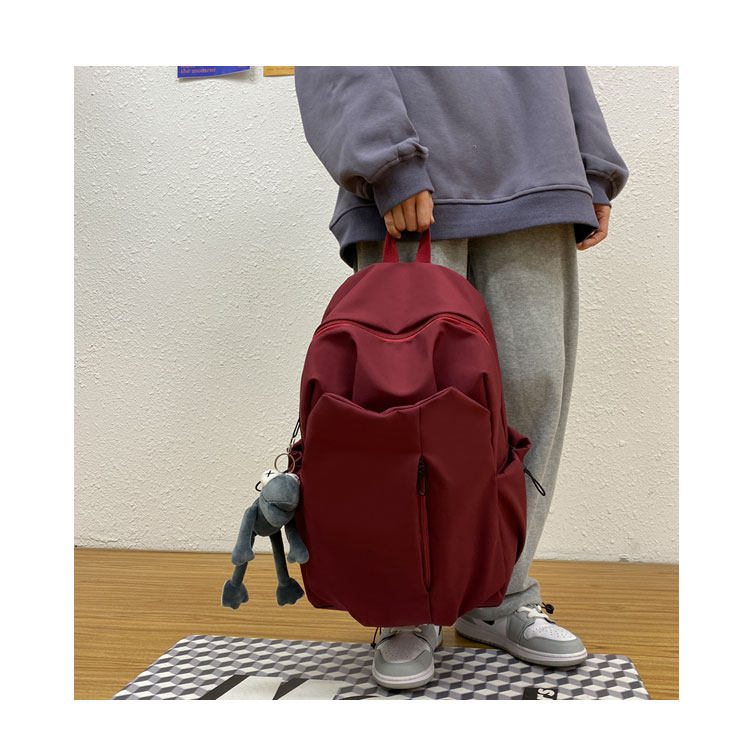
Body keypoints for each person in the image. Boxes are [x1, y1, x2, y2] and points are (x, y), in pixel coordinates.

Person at [294, 66, 629, 690]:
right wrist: (387, 159)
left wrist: (591, 161)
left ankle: (500, 593)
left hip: (539, 166)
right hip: (415, 167)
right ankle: (405, 604)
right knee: (401, 411)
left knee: (531, 393)